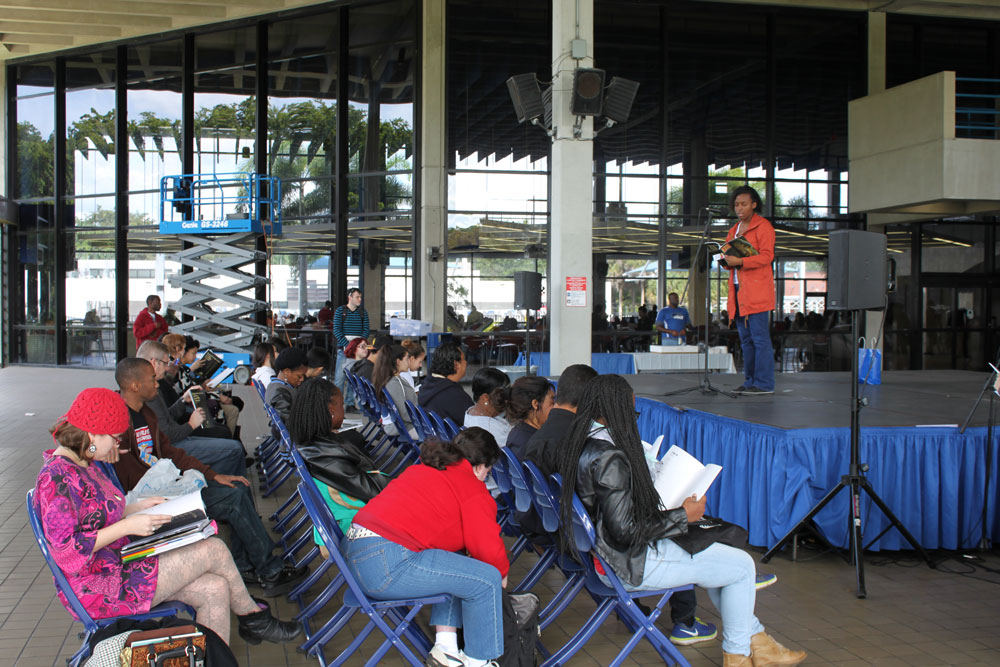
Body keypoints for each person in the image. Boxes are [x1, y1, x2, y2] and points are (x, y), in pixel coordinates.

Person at [556, 375, 806, 667]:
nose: (633, 421)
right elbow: (625, 530)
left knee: (720, 560)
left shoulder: (582, 442)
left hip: (607, 557)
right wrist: (682, 516)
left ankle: (759, 643)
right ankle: (738, 655)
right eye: (631, 413)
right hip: (627, 563)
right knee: (742, 566)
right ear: (616, 411)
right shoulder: (610, 456)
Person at [34, 387, 300, 645]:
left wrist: (131, 509)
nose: (116, 444)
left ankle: (224, 648)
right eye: (114, 438)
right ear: (93, 434)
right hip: (100, 588)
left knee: (216, 588)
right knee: (214, 550)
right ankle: (253, 618)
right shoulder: (57, 479)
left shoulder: (81, 464)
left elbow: (94, 516)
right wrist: (127, 524)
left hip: (118, 566)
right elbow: (66, 553)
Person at [113, 358, 308, 597]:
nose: (157, 382)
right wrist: (97, 450)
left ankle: (246, 565)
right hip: (148, 504)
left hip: (167, 489)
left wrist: (214, 475)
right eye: (152, 379)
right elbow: (78, 443)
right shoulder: (115, 416)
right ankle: (269, 570)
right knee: (232, 499)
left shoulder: (146, 413)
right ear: (134, 385)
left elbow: (172, 453)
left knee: (239, 485)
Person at [342, 428, 507, 667]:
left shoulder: (425, 468)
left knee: (458, 564)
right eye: (488, 472)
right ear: (481, 466)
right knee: (485, 579)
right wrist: (501, 573)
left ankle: (447, 649)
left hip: (357, 555)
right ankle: (479, 662)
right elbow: (487, 547)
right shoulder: (470, 485)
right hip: (385, 566)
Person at [288, 378, 387, 535]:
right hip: (356, 528)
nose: (343, 409)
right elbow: (375, 491)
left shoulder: (311, 445)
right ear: (331, 410)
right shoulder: (328, 456)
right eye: (341, 405)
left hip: (345, 515)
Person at [136, 341, 246, 476]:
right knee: (234, 449)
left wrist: (183, 400)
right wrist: (191, 425)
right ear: (154, 362)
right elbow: (167, 435)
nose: (167, 368)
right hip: (172, 447)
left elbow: (167, 416)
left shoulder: (152, 386)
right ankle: (222, 486)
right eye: (165, 363)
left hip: (176, 440)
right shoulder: (148, 390)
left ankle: (223, 484)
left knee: (230, 443)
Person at [723, 185, 776, 395]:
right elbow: (729, 257)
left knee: (760, 338)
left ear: (754, 205)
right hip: (737, 291)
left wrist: (741, 261)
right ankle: (750, 380)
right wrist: (726, 261)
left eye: (744, 204)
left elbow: (767, 256)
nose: (739, 208)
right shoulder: (733, 230)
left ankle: (764, 383)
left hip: (757, 291)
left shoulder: (763, 227)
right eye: (736, 204)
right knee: (746, 339)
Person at [418, 341, 474, 425]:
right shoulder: (454, 396)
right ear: (456, 365)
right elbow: (475, 423)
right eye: (464, 359)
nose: (466, 363)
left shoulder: (426, 385)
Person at [372, 343, 419, 438]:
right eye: (406, 359)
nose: (409, 362)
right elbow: (405, 414)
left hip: (399, 425)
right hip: (405, 427)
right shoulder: (394, 383)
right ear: (398, 361)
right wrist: (425, 419)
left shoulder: (389, 379)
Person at [333, 288, 370, 398]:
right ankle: (336, 402)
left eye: (360, 297)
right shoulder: (340, 311)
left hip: (357, 349)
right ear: (350, 297)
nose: (360, 299)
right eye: (357, 297)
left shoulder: (363, 312)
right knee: (339, 378)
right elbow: (336, 330)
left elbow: (366, 329)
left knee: (354, 378)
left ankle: (350, 402)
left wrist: (359, 344)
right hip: (344, 348)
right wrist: (349, 344)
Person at [503, 375, 554, 456]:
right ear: (535, 404)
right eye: (552, 403)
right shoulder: (535, 445)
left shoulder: (517, 432)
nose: (555, 407)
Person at [463, 367, 511, 446]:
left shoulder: (471, 411)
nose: (506, 400)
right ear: (485, 398)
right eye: (502, 395)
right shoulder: (490, 430)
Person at [265, 347, 309, 424]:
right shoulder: (280, 394)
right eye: (299, 376)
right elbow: (289, 422)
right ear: (286, 372)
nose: (302, 379)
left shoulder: (274, 385)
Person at [342, 337, 369, 410]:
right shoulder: (356, 366)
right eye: (362, 347)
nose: (366, 349)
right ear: (354, 348)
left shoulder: (350, 364)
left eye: (367, 347)